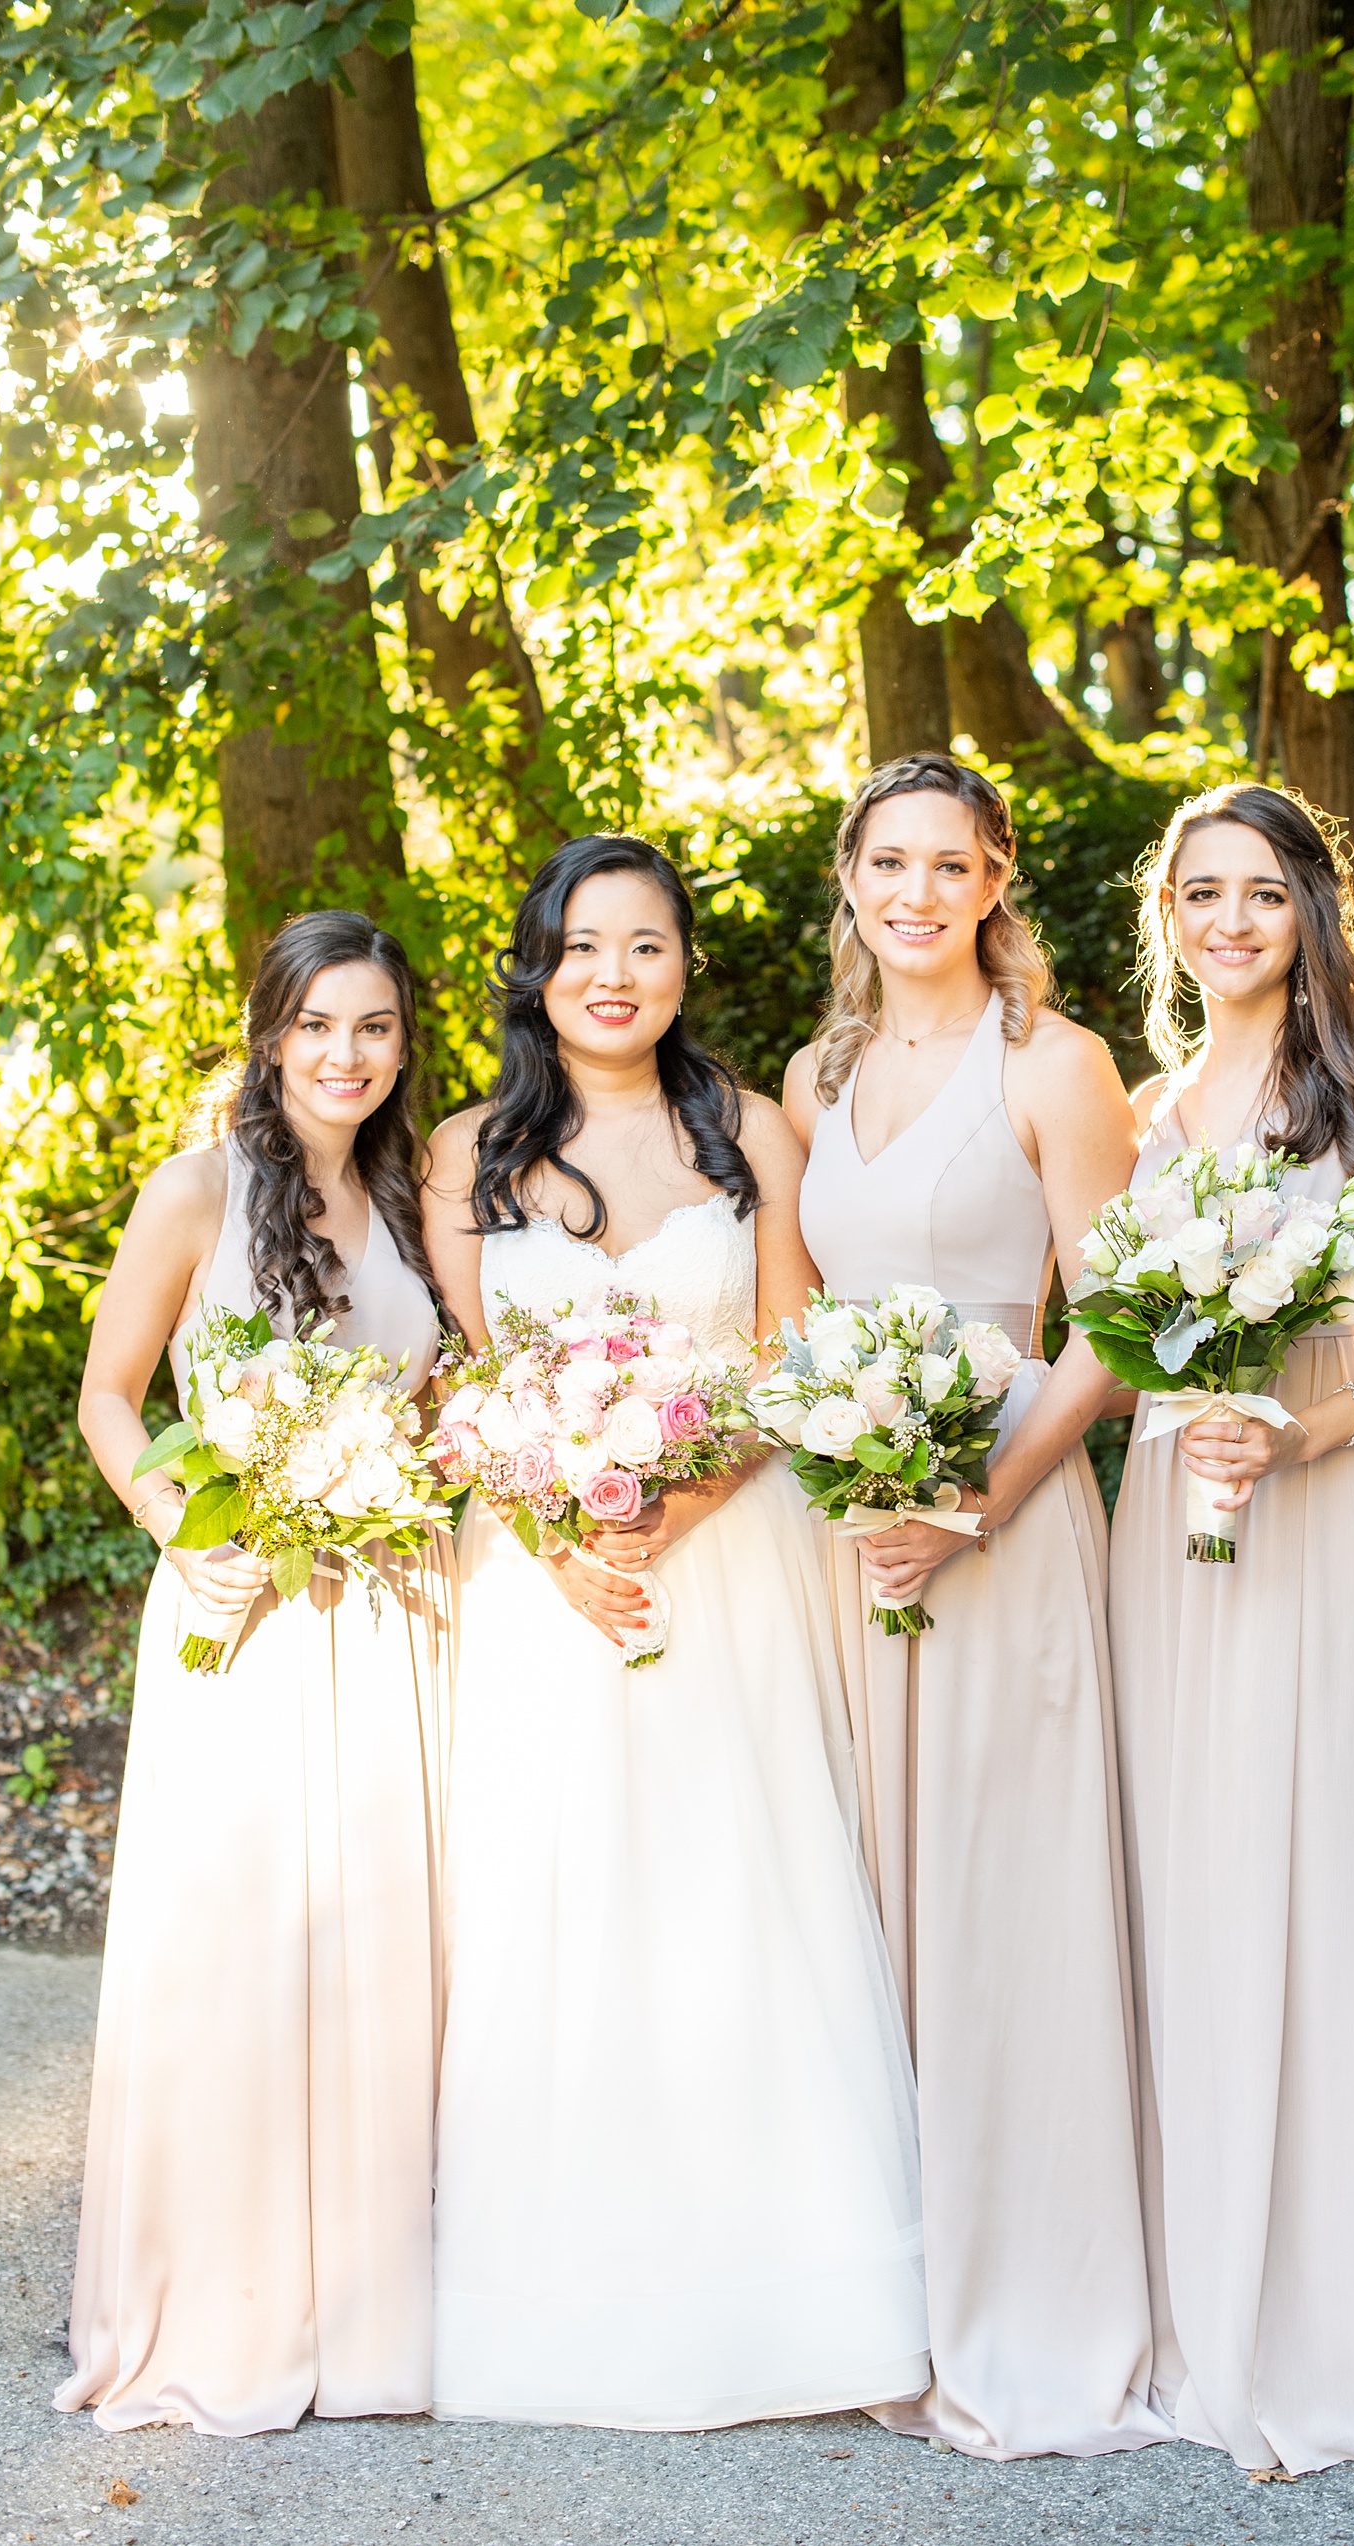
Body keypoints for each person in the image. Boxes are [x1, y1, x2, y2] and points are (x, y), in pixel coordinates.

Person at [423, 833, 928, 2431]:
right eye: (584, 946)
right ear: (540, 966)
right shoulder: (462, 1154)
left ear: (684, 964)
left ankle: (793, 2288)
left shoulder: (754, 1134)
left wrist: (679, 1506)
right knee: (556, 1898)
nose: (614, 975)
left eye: (646, 945)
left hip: (727, 1560)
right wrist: (563, 1538)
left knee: (738, 1885)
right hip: (540, 1573)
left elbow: (789, 1363)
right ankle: (566, 2286)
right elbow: (460, 1381)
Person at [1108, 780, 1354, 2472]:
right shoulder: (1142, 1106)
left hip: (1328, 1485)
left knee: (1323, 1869)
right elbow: (1110, 1322)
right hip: (1167, 1491)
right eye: (1203, 893)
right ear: (1169, 918)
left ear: (1312, 916)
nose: (1231, 922)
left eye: (1264, 893)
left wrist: (1318, 1429)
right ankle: (1212, 2302)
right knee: (1191, 1868)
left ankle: (1349, 2319)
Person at [784, 752, 1164, 2461]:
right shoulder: (818, 1068)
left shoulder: (1060, 1062)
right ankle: (894, 2286)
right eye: (889, 863)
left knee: (1006, 1894)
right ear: (851, 880)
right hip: (850, 1524)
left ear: (1000, 875)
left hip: (1001, 1516)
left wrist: (979, 1501)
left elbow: (1118, 1320)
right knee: (871, 1891)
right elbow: (799, 1316)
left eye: (952, 863)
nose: (918, 892)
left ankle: (1041, 2289)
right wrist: (849, 1471)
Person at [58, 910, 455, 2437]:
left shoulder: (420, 1201)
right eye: (318, 1026)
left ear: (402, 1042)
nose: (347, 1056)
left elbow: (442, 1396)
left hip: (394, 1603)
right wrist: (174, 1524)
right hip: (246, 1600)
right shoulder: (199, 1189)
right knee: (241, 1951)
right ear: (268, 1031)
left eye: (375, 1028)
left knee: (381, 1949)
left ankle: (363, 2303)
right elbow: (110, 1393)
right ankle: (223, 2297)